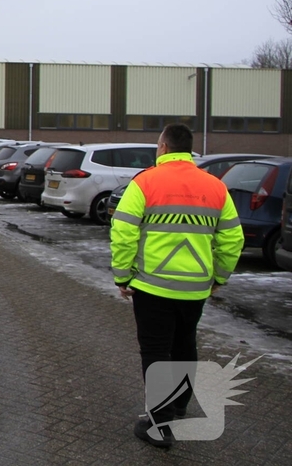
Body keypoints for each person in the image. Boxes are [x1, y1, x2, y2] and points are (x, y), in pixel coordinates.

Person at [110, 123, 244, 449]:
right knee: (185, 344)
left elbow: (124, 231)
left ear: (164, 147)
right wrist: (219, 277)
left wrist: (123, 275)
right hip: (195, 288)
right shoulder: (215, 186)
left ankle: (159, 425)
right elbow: (232, 239)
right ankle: (179, 405)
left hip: (152, 286)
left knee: (156, 351)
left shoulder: (145, 182)